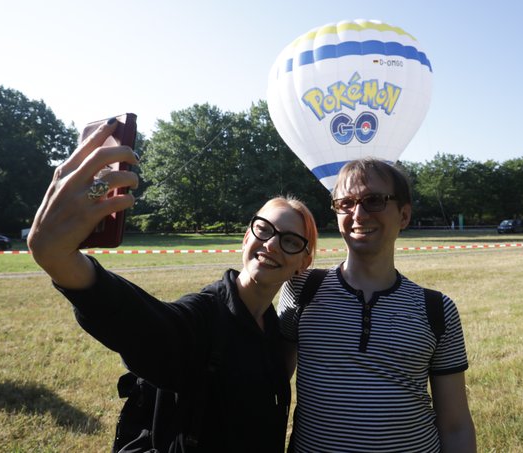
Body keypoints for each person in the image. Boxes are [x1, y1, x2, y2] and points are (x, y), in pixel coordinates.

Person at [27, 118, 318, 452]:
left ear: (304, 261)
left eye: (290, 241)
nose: (271, 244)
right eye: (263, 229)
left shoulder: (275, 333)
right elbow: (144, 325)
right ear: (245, 238)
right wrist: (61, 262)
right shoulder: (202, 319)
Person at [278, 157, 476, 452]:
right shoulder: (301, 290)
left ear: (404, 215)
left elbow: (456, 425)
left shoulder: (438, 309)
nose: (358, 214)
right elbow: (269, 388)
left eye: (374, 201)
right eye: (345, 203)